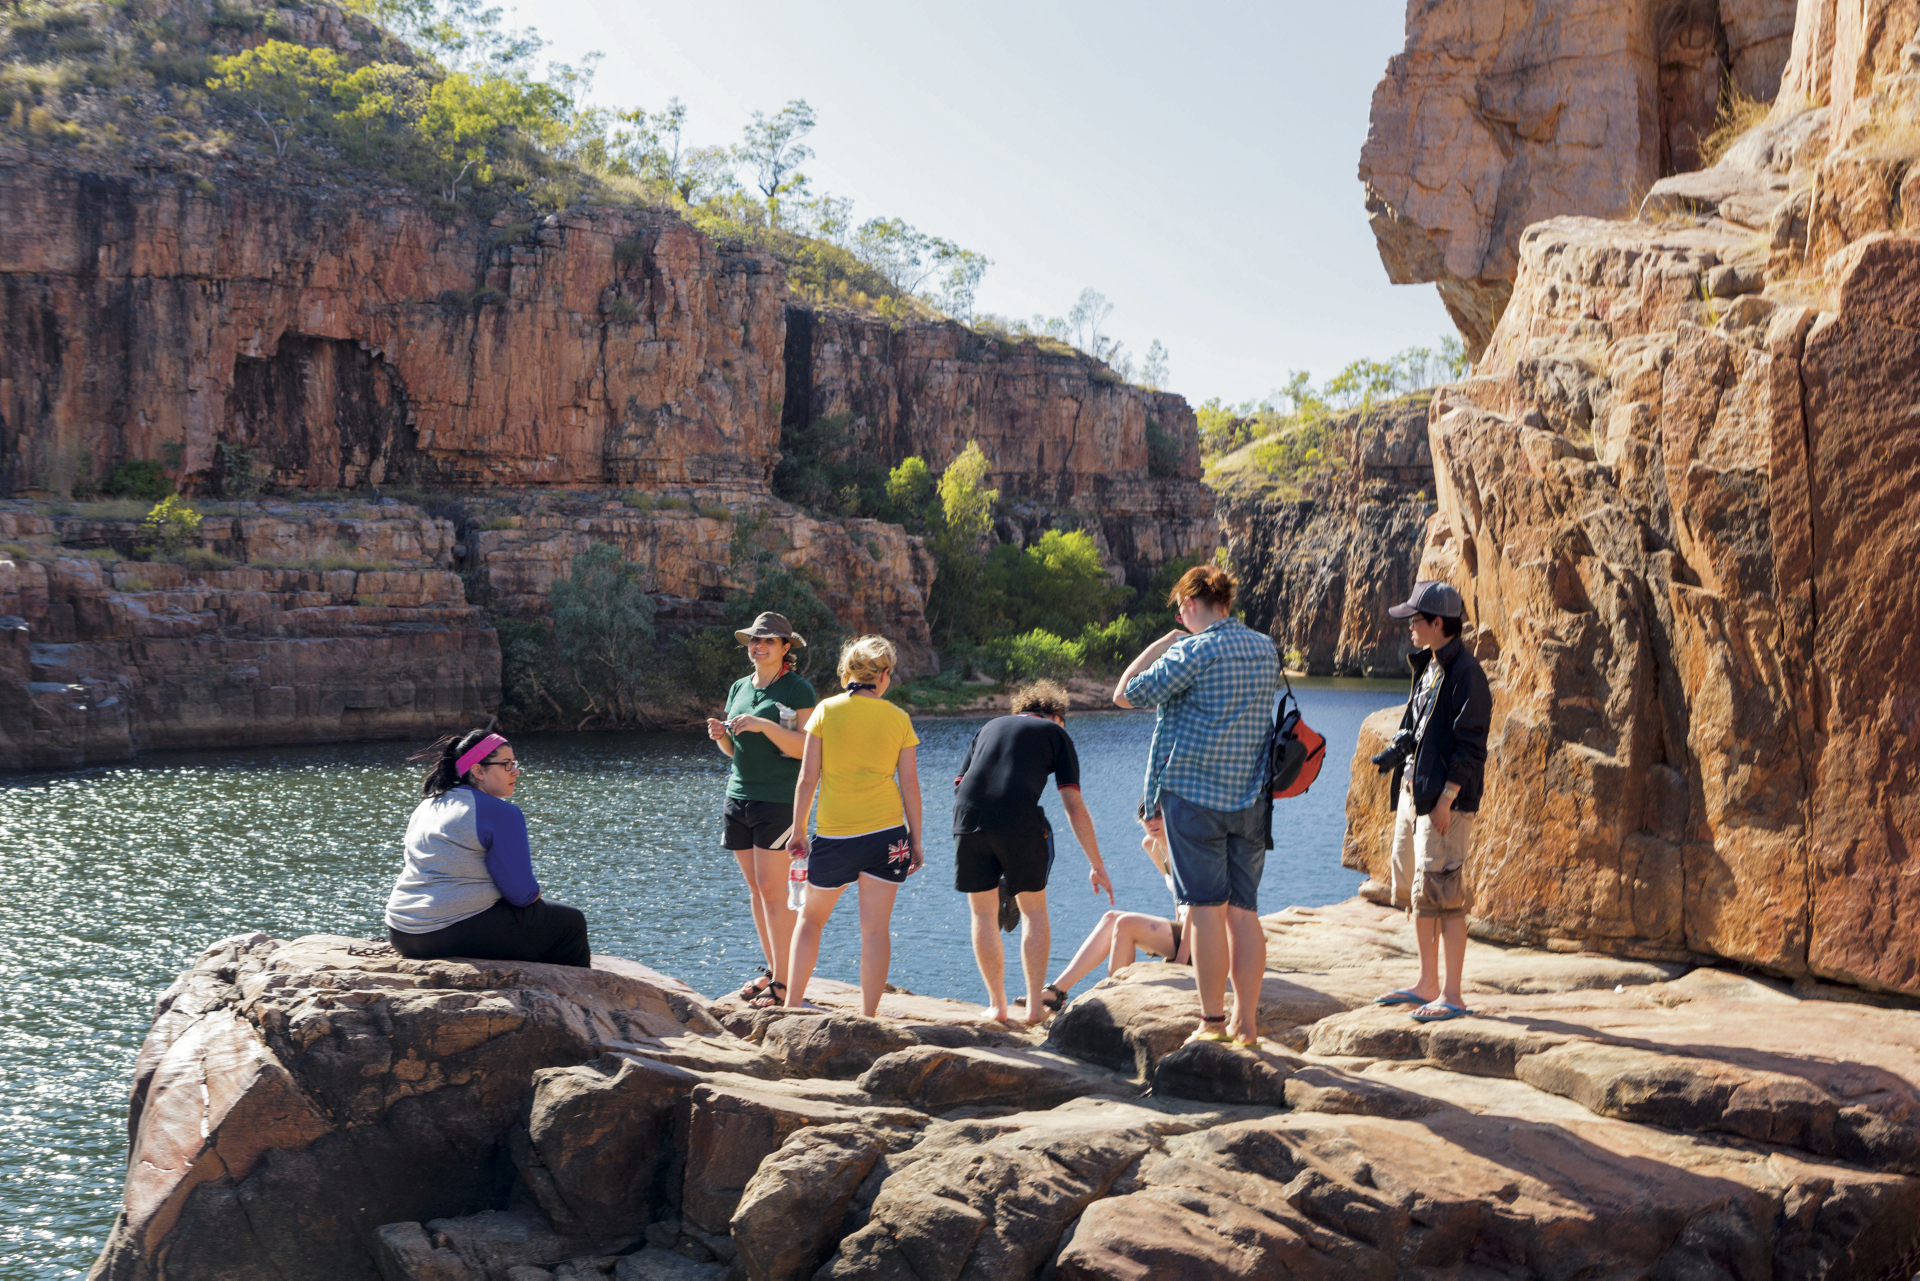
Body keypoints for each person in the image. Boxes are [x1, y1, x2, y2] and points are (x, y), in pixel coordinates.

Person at [1114, 564, 1279, 1047]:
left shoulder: (1193, 649)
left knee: (1206, 912)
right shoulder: (1264, 647)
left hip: (1194, 800)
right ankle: (1245, 1024)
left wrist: (1163, 642)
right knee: (1244, 913)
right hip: (1251, 798)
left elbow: (1124, 694)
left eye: (1180, 609)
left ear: (1188, 605)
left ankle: (1211, 1024)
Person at [952, 679, 1112, 1023]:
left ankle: (996, 1007)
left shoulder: (989, 726)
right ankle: (1036, 1009)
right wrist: (1096, 863)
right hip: (1018, 820)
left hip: (967, 818)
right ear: (1056, 715)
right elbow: (1073, 802)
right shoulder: (1056, 733)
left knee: (982, 913)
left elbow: (960, 783)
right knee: (1033, 910)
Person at [1370, 580, 1491, 1023]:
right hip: (1414, 793)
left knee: (1445, 893)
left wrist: (1447, 798)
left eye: (1415, 620)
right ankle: (1426, 983)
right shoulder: (1431, 666)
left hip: (1443, 802)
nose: (1410, 628)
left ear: (1438, 623)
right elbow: (1417, 725)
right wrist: (1396, 752)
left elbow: (1471, 747)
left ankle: (1452, 995)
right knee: (1420, 891)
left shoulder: (1466, 674)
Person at [784, 635, 924, 1016]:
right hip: (887, 836)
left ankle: (791, 1006)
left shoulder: (826, 711)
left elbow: (807, 778)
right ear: (883, 675)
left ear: (848, 672)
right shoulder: (899, 718)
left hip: (835, 835)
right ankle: (868, 1017)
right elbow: (910, 785)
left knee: (810, 920)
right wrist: (916, 839)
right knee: (875, 930)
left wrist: (797, 830)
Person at [386, 729, 591, 967]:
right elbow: (521, 895)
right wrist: (534, 895)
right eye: (505, 764)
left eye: (514, 763)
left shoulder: (428, 804)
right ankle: (578, 997)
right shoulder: (501, 812)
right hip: (442, 934)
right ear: (478, 770)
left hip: (401, 932)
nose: (516, 771)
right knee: (569, 922)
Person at [705, 612, 818, 1009]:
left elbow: (806, 749)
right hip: (738, 797)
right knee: (757, 891)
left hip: (779, 800)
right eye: (754, 640)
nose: (759, 646)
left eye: (768, 641)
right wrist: (722, 736)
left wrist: (763, 726)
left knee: (774, 892)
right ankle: (773, 970)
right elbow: (735, 751)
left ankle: (785, 984)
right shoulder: (739, 686)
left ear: (786, 648)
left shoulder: (799, 690)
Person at [1033, 805, 1190, 1009]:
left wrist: (1181, 960)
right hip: (1183, 929)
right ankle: (1056, 991)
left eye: (1158, 815)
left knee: (1125, 924)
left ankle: (1112, 1002)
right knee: (1111, 918)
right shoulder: (1152, 845)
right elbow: (1178, 896)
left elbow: (1199, 903)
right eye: (1145, 816)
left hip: (1203, 936)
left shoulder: (1186, 847)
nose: (1152, 822)